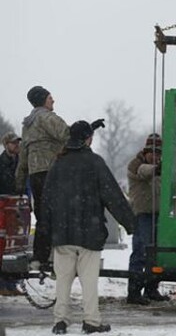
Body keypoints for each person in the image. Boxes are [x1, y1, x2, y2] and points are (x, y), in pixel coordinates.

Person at [36, 120, 135, 335]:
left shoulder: (58, 164)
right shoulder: (94, 162)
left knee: (62, 281)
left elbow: (46, 201)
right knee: (89, 281)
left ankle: (60, 321)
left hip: (62, 234)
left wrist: (45, 233)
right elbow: (113, 196)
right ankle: (91, 321)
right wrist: (130, 222)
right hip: (89, 234)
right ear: (88, 139)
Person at [15, 86, 69, 268]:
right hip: (52, 172)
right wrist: (86, 130)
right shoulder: (47, 117)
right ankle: (61, 257)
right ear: (43, 100)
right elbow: (67, 135)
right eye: (50, 97)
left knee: (43, 216)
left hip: (35, 174)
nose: (53, 100)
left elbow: (23, 155)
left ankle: (40, 255)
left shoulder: (28, 124)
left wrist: (20, 182)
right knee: (60, 215)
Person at [126, 134, 169, 305]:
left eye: (158, 153)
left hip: (159, 215)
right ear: (145, 151)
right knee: (140, 252)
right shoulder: (135, 164)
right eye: (152, 152)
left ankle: (151, 288)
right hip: (143, 215)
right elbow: (143, 171)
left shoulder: (160, 166)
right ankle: (134, 292)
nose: (155, 156)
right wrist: (156, 169)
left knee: (157, 254)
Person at [0, 131, 25, 296]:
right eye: (13, 143)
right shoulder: (1, 163)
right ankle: (4, 283)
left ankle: (11, 283)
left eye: (17, 143)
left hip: (16, 206)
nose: (17, 145)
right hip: (4, 206)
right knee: (3, 246)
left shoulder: (20, 162)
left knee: (14, 247)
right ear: (6, 144)